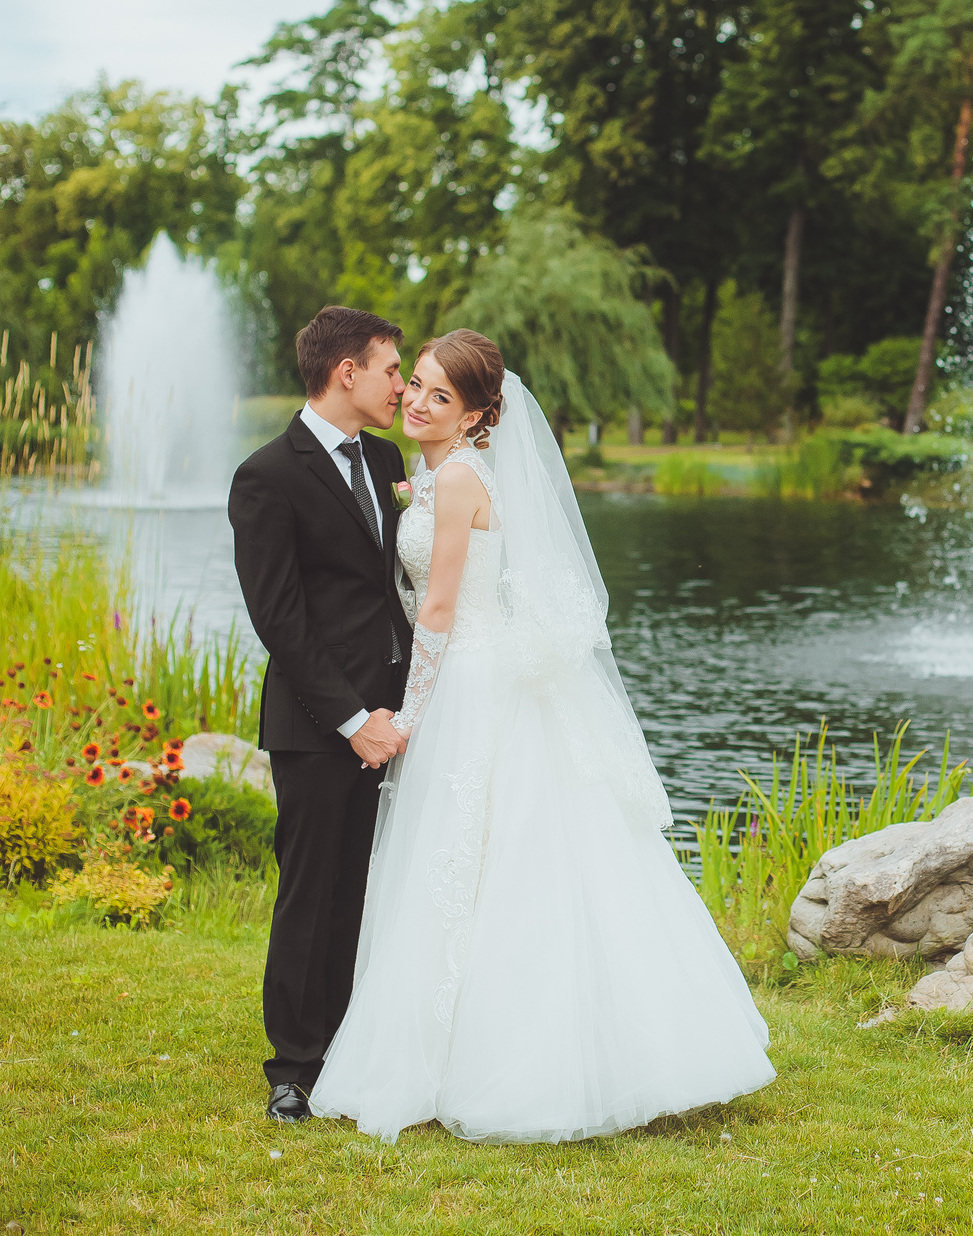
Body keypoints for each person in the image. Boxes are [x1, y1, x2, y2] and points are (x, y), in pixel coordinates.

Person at [308, 329, 775, 1143]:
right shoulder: (435, 473)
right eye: (413, 383)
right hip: (477, 677)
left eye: (439, 396)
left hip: (473, 687)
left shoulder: (455, 480)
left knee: (483, 861)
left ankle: (508, 1062)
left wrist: (408, 718)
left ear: (480, 414)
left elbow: (444, 611)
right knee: (470, 864)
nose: (416, 401)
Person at [228, 306, 414, 1123]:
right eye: (391, 370)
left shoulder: (385, 457)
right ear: (347, 372)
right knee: (313, 892)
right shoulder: (267, 475)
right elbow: (281, 619)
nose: (401, 386)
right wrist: (351, 719)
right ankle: (294, 1068)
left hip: (399, 715)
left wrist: (409, 704)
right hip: (317, 726)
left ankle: (353, 1046)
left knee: (368, 888)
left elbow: (394, 592)